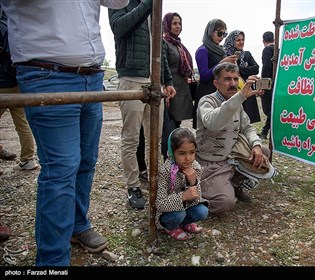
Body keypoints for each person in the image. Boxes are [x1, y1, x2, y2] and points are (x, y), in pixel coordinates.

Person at [0, 0, 130, 266]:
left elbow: (120, 2)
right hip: (47, 72)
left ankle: (77, 225)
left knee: (85, 161)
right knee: (61, 168)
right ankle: (53, 261)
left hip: (92, 77)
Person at [108, 0, 176, 210]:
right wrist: (147, 4)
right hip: (131, 79)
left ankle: (155, 180)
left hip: (155, 83)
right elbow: (119, 28)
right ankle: (133, 187)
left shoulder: (154, 9)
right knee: (130, 138)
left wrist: (168, 81)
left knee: (154, 138)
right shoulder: (121, 3)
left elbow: (161, 49)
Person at [196, 62, 273, 214]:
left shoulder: (236, 101)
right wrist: (241, 96)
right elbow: (212, 123)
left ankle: (234, 184)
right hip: (212, 163)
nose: (232, 84)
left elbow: (247, 127)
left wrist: (256, 146)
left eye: (235, 79)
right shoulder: (207, 101)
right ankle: (197, 195)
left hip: (232, 157)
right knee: (225, 204)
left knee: (264, 152)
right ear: (216, 83)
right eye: (227, 79)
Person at [0, 7, 38, 171]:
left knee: (22, 123)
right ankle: (28, 159)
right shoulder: (14, 27)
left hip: (2, 83)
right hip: (16, 83)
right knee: (22, 123)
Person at [156, 127, 209, 240]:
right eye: (181, 153)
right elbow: (159, 204)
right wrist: (183, 197)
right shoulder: (165, 171)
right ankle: (171, 227)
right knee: (178, 214)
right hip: (167, 214)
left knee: (202, 211)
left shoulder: (195, 167)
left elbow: (196, 198)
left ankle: (184, 224)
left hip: (186, 208)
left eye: (192, 152)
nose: (188, 158)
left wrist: (193, 182)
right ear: (172, 152)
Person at [193, 19, 237, 129]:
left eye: (224, 34)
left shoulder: (220, 50)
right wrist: (221, 63)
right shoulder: (202, 50)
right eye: (219, 33)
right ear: (210, 32)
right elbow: (204, 76)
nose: (222, 36)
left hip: (220, 92)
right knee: (207, 127)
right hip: (207, 92)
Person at [162, 12, 194, 129]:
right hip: (170, 90)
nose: (178, 26)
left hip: (182, 90)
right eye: (174, 23)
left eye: (179, 23)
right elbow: (163, 67)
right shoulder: (164, 43)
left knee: (176, 125)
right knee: (167, 125)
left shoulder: (178, 44)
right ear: (167, 25)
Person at [223, 30, 260, 123]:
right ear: (232, 41)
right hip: (232, 90)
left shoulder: (246, 54)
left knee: (247, 120)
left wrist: (239, 69)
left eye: (243, 40)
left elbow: (256, 68)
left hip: (246, 88)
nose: (241, 42)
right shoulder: (226, 56)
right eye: (238, 40)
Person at [260, 31, 275, 139]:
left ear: (263, 41)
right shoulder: (278, 50)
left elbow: (266, 67)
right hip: (277, 83)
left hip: (269, 84)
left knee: (268, 110)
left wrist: (263, 86)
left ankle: (266, 131)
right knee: (272, 109)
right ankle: (265, 131)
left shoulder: (267, 50)